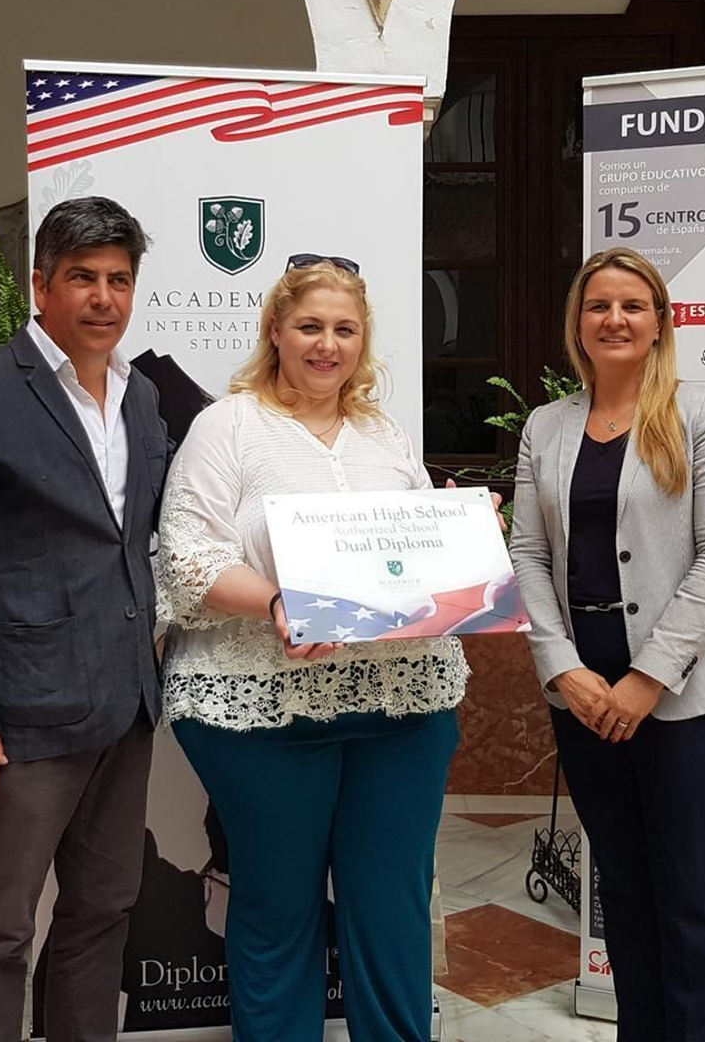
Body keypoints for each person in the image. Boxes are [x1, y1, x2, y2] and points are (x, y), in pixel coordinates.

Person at [153, 257, 471, 1041]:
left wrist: (467, 559)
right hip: (264, 712)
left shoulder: (382, 434)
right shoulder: (227, 426)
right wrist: (278, 604)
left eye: (344, 330)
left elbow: (421, 549)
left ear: (363, 343)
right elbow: (185, 555)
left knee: (392, 903)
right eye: (310, 326)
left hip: (403, 707)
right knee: (275, 905)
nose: (326, 345)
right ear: (275, 332)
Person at [0, 197, 172, 1041]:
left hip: (125, 711)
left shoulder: (142, 400)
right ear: (41, 286)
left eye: (119, 280)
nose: (103, 298)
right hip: (18, 725)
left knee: (102, 914)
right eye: (83, 278)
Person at [510, 247, 705, 1041]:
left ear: (658, 324)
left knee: (688, 897)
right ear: (578, 323)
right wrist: (562, 667)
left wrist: (649, 677)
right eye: (598, 305)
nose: (614, 319)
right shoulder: (547, 427)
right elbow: (527, 554)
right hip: (583, 694)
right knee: (622, 886)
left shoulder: (701, 413)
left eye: (633, 305)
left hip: (679, 693)